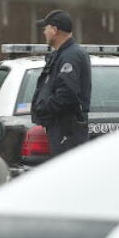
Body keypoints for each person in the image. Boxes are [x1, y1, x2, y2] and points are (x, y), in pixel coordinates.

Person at [30, 9, 91, 156]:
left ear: (54, 30)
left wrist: (44, 108)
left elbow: (67, 94)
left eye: (46, 28)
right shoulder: (62, 54)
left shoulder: (70, 56)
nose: (44, 32)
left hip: (66, 130)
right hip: (61, 128)